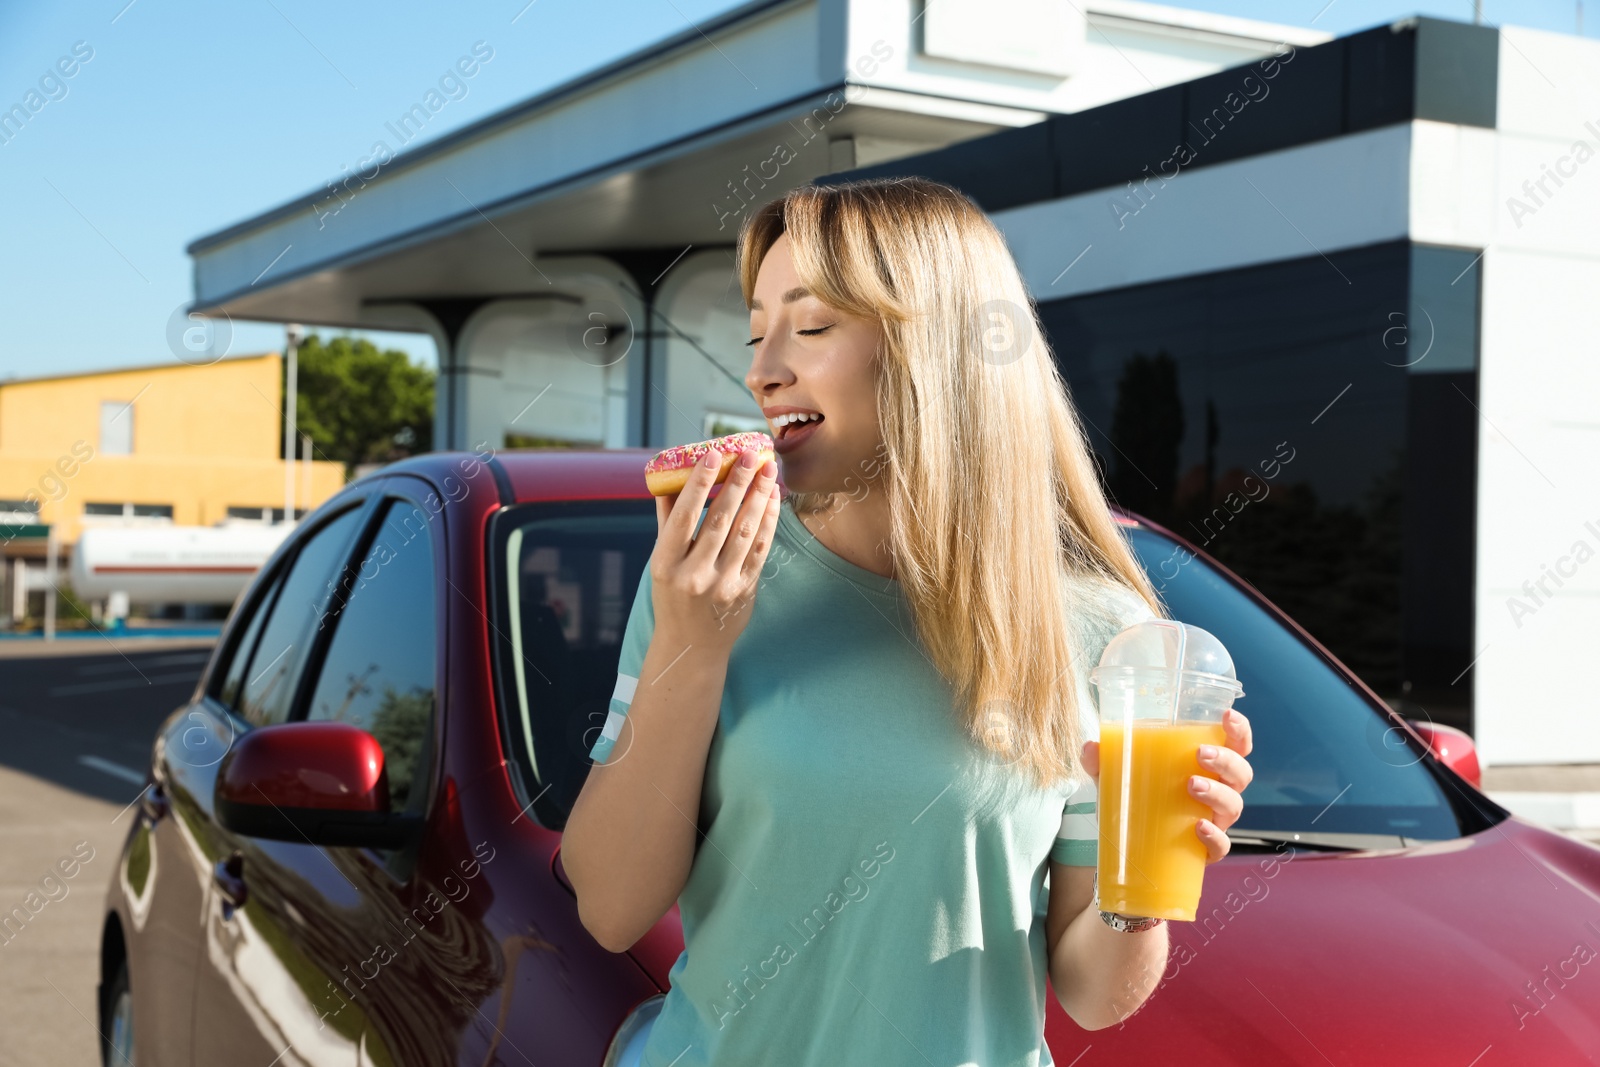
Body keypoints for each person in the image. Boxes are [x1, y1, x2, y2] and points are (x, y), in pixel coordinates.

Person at [560, 177, 1255, 1066]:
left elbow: (1093, 994)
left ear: (942, 350)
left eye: (809, 327)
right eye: (756, 329)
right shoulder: (710, 579)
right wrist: (692, 648)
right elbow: (611, 906)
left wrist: (1148, 869)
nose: (762, 368)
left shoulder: (1102, 635)